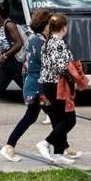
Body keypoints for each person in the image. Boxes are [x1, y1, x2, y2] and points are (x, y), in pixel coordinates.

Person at [0, 10, 55, 162]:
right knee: (58, 118)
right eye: (51, 24)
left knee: (31, 117)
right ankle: (60, 148)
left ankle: (9, 146)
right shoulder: (41, 43)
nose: (53, 27)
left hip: (32, 86)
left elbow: (26, 64)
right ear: (44, 25)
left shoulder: (33, 40)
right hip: (39, 87)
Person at [36, 13, 78, 165]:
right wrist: (74, 74)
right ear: (63, 28)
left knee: (60, 119)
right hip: (58, 85)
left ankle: (59, 154)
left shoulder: (47, 43)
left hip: (48, 85)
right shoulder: (59, 44)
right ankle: (45, 143)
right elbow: (61, 66)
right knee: (69, 119)